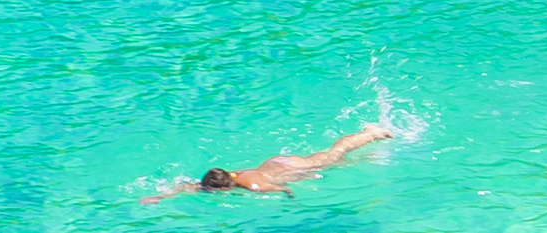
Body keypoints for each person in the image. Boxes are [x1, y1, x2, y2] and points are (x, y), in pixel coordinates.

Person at [146, 85, 412, 197]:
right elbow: (188, 187)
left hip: (289, 169)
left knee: (335, 154)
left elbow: (278, 190)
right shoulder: (227, 176)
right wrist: (160, 197)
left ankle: (371, 133)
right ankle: (369, 143)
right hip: (275, 164)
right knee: (333, 158)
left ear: (225, 187)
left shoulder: (250, 185)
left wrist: (290, 196)